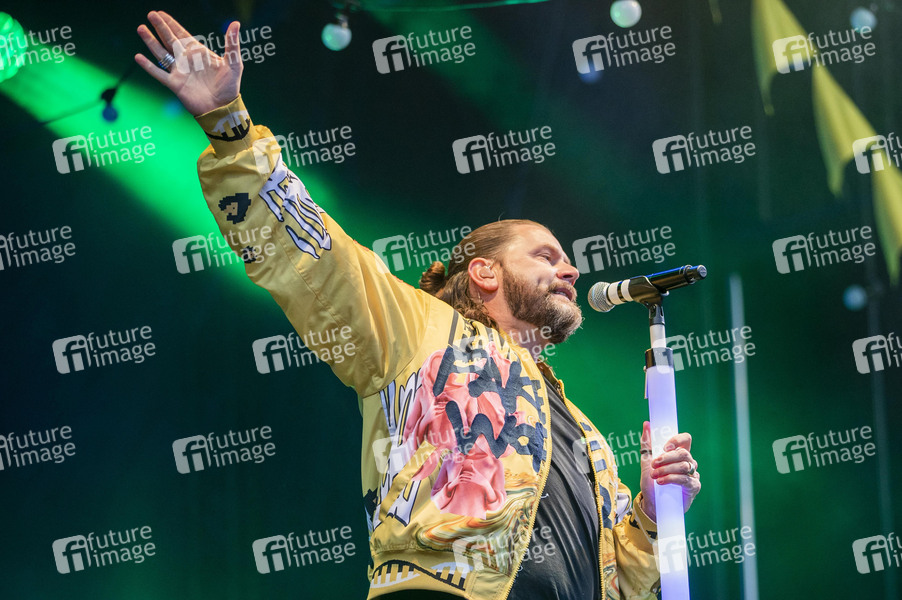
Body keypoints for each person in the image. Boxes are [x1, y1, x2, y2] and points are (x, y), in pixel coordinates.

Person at [135, 11, 701, 599]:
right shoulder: (419, 331)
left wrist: (653, 511)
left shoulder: (585, 434)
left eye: (568, 260)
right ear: (485, 271)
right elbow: (318, 256)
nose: (571, 270)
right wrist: (229, 125)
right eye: (545, 255)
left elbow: (623, 585)